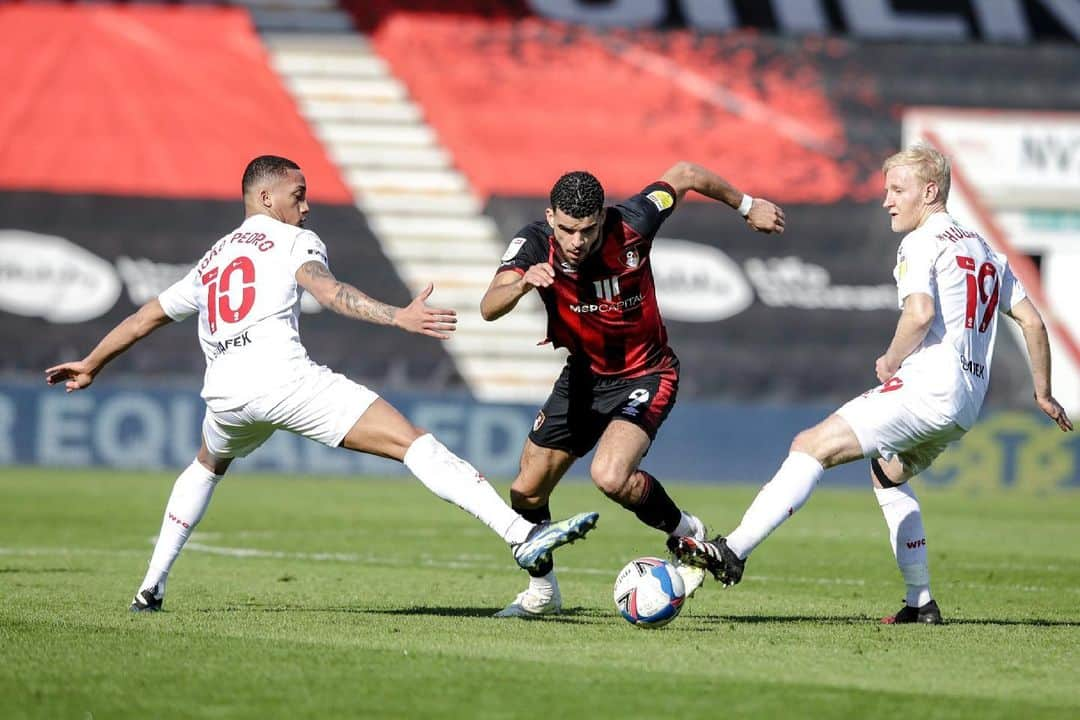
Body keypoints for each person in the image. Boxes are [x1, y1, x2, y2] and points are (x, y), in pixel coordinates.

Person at [45, 155, 599, 613]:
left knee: (206, 466)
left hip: (224, 394)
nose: (306, 207)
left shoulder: (215, 257)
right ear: (266, 199)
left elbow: (146, 317)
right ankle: (521, 535)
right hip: (281, 380)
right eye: (298, 195)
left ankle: (150, 587)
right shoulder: (292, 244)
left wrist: (92, 362)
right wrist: (398, 316)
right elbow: (329, 292)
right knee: (412, 442)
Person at [670, 143, 1073, 624]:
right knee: (888, 472)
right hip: (966, 404)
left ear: (930, 191)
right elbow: (1032, 323)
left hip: (928, 388)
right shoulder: (985, 250)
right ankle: (920, 601)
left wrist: (891, 358)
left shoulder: (922, 241)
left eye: (897, 189)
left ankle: (731, 550)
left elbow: (919, 312)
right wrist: (1043, 393)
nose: (887, 200)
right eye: (886, 190)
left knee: (811, 445)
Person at [480, 163, 785, 617]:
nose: (577, 241)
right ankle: (543, 591)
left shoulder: (635, 220)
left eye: (586, 230)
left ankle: (688, 530)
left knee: (610, 475)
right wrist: (524, 283)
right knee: (526, 491)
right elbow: (489, 306)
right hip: (584, 377)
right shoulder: (533, 246)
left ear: (601, 218)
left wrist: (746, 205)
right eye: (567, 230)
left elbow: (683, 175)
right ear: (550, 218)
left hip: (647, 372)